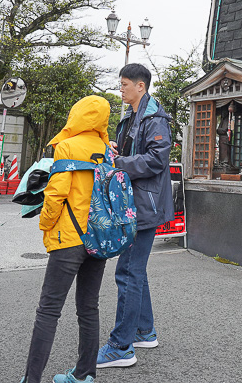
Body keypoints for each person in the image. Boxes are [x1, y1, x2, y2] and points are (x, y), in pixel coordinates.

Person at [20, 95, 111, 383]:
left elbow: (55, 195)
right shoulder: (107, 150)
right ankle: (84, 375)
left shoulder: (67, 146)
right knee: (89, 308)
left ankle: (32, 379)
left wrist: (45, 225)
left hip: (68, 238)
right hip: (98, 238)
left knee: (48, 310)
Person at [96, 63, 172, 369]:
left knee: (128, 272)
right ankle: (144, 331)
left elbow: (156, 160)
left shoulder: (155, 118)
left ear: (141, 86)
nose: (121, 89)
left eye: (125, 84)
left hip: (144, 205)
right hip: (135, 202)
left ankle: (121, 346)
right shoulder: (131, 115)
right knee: (135, 270)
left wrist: (120, 163)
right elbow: (135, 153)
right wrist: (118, 151)